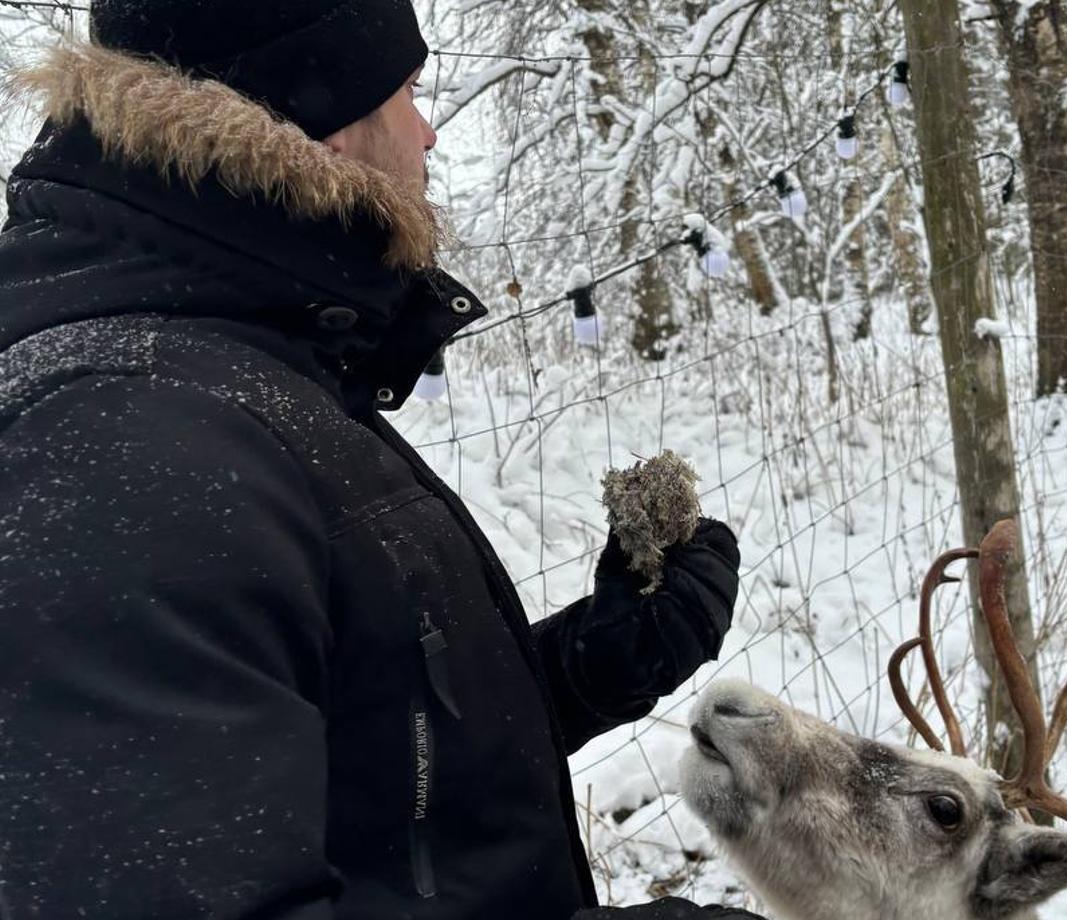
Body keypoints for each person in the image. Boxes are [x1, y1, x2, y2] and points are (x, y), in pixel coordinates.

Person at [0, 2, 764, 918]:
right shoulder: (124, 436)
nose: (427, 130)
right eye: (408, 91)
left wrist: (587, 670)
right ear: (311, 103)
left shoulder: (242, 367)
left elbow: (356, 780)